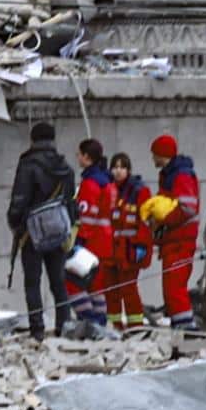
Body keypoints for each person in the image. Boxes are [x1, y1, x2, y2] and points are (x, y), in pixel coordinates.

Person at [5, 121, 76, 341]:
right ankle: (64, 326)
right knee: (58, 281)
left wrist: (15, 223)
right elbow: (71, 201)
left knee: (32, 283)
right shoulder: (65, 167)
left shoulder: (28, 165)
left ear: (33, 139)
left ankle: (37, 330)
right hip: (58, 230)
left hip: (31, 233)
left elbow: (19, 199)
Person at [149, 134, 202, 330]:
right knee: (171, 289)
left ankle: (186, 329)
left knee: (175, 289)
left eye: (154, 154)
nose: (152, 158)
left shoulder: (181, 175)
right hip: (174, 240)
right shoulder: (169, 175)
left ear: (162, 154)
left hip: (181, 241)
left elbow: (187, 208)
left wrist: (163, 220)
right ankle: (181, 326)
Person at [67, 138, 115, 330]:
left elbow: (85, 215)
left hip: (91, 242)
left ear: (87, 157)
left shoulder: (90, 183)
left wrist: (77, 243)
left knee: (72, 283)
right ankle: (100, 322)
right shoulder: (107, 182)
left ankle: (88, 321)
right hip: (105, 241)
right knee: (96, 287)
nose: (77, 158)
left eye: (79, 154)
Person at [107, 152, 150, 328]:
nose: (118, 171)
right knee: (111, 290)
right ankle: (114, 325)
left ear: (129, 170)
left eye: (122, 167)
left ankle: (136, 326)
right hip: (110, 249)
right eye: (115, 167)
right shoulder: (108, 189)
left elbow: (146, 222)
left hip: (129, 250)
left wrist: (141, 246)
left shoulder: (139, 191)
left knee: (129, 289)